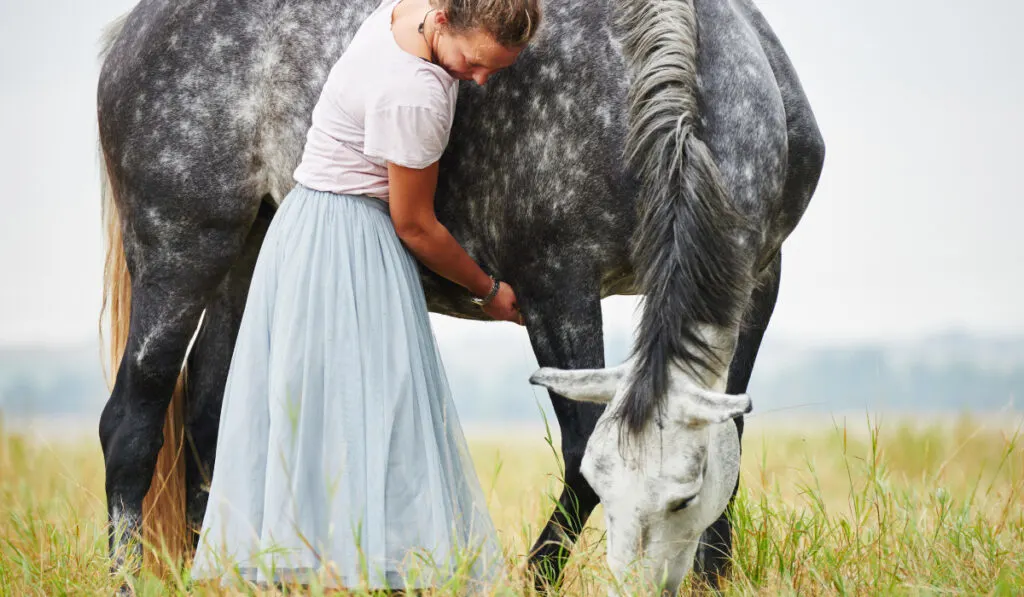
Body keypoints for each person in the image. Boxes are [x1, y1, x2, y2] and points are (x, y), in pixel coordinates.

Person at [190, 0, 541, 590]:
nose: (480, 80)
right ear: (447, 20)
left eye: (495, 71)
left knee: (312, 416)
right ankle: (356, 573)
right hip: (349, 246)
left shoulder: (403, 11)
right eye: (476, 62)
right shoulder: (417, 95)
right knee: (375, 415)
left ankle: (307, 567)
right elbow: (416, 226)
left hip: (302, 224)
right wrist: (489, 293)